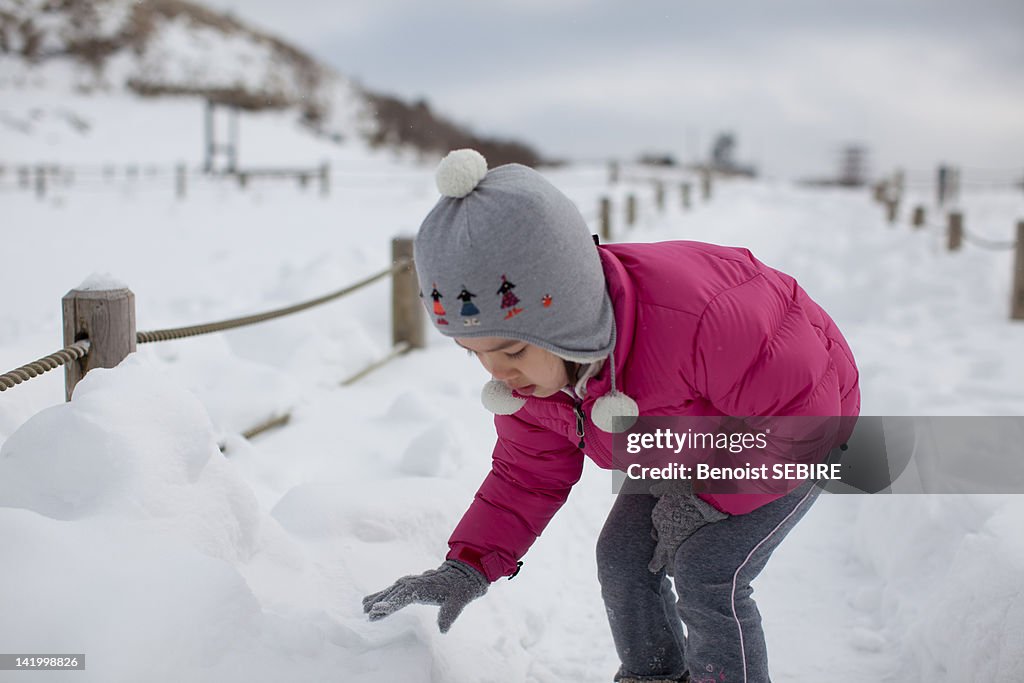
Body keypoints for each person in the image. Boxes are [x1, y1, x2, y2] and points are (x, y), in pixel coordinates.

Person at [362, 149, 861, 683]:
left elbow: (802, 425)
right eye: (474, 352)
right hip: (685, 440)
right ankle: (653, 675)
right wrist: (468, 564)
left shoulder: (698, 322)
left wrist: (709, 501)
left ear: (569, 320)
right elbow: (526, 474)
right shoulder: (536, 379)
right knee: (622, 558)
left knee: (708, 571)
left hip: (793, 434)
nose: (497, 373)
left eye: (510, 351)